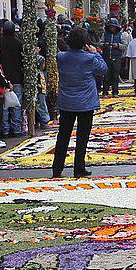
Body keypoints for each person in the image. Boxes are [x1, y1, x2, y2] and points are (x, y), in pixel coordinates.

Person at [52, 28, 108, 179]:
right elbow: (103, 70)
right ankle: (79, 168)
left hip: (67, 102)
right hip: (85, 103)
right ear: (84, 43)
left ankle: (57, 169)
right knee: (82, 137)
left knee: (63, 136)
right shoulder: (89, 59)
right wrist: (95, 53)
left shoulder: (61, 57)